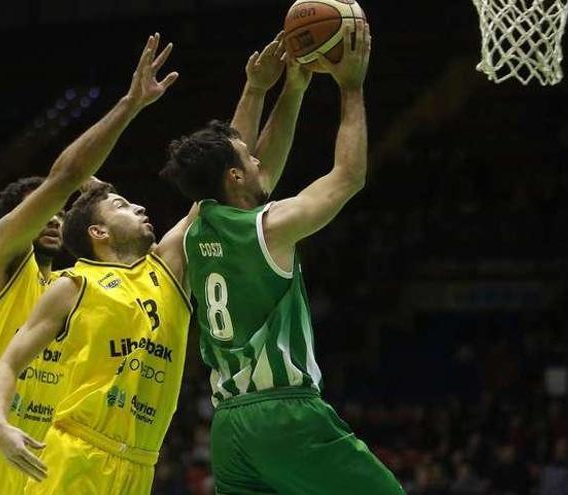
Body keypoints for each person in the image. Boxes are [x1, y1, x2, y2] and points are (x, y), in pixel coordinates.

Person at [0, 33, 303, 495]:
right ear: (98, 232)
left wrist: (264, 89)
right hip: (75, 456)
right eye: (120, 206)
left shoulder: (168, 269)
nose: (138, 208)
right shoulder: (74, 284)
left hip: (140, 466)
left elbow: (232, 178)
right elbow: (7, 364)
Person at [162, 21, 405, 494]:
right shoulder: (269, 228)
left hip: (228, 426)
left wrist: (289, 90)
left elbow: (243, 161)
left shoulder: (193, 230)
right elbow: (348, 176)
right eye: (248, 161)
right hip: (285, 413)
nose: (259, 161)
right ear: (234, 177)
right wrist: (351, 87)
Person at [0, 32, 179, 495]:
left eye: (63, 213)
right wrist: (129, 105)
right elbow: (66, 177)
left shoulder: (75, 288)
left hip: (45, 471)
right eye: (44, 208)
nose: (55, 216)